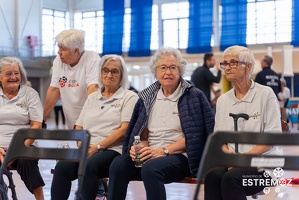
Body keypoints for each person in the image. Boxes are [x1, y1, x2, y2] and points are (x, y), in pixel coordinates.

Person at [107, 47, 215, 200]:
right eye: (163, 68)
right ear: (156, 72)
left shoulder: (193, 96)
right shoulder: (147, 96)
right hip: (151, 153)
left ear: (180, 71)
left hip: (181, 156)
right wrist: (140, 148)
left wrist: (163, 151)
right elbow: (142, 133)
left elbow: (195, 136)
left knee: (151, 169)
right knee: (118, 164)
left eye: (172, 67)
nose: (168, 72)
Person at [50, 54, 138, 200]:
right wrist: (81, 144)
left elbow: (124, 130)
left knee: (89, 165)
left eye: (114, 71)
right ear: (100, 73)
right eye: (105, 70)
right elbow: (79, 125)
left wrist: (97, 147)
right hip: (88, 148)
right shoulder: (92, 97)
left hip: (112, 149)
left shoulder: (129, 97)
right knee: (62, 167)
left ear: (121, 75)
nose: (109, 75)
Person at [204, 45, 282, 200]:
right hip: (232, 163)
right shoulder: (223, 100)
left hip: (263, 167)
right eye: (225, 63)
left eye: (233, 62)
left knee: (232, 178)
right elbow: (219, 140)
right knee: (212, 175)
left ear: (249, 67)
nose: (227, 67)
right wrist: (229, 156)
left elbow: (271, 140)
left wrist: (242, 160)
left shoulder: (266, 94)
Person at [0, 57, 45, 200]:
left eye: (16, 73)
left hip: (25, 145)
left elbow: (36, 126)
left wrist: (15, 149)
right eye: (8, 74)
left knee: (27, 161)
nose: (13, 77)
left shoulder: (30, 94)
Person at [43, 28, 100, 129]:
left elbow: (93, 89)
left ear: (76, 51)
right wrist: (42, 119)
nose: (58, 52)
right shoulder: (58, 61)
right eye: (58, 48)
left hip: (91, 118)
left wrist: (82, 121)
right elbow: (54, 90)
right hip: (71, 119)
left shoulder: (92, 59)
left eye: (63, 49)